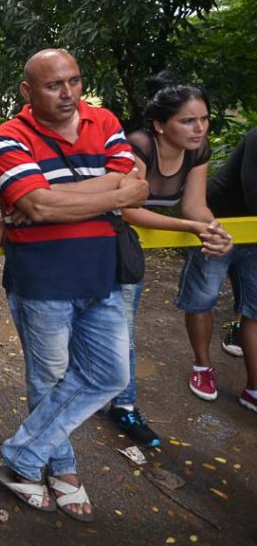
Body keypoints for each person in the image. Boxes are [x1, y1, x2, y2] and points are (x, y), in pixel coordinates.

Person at [0, 48, 148, 521]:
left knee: (111, 375)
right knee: (50, 380)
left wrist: (52, 197)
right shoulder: (7, 137)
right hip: (43, 278)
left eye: (73, 81)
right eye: (54, 85)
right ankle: (64, 470)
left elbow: (134, 186)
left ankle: (20, 456)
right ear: (27, 91)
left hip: (103, 274)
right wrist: (109, 193)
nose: (68, 93)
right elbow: (37, 207)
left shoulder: (104, 121)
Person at [110, 81, 232, 445]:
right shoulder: (138, 146)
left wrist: (210, 228)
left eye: (204, 119)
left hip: (125, 244)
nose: (199, 128)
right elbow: (128, 210)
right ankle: (123, 404)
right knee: (121, 327)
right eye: (188, 121)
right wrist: (192, 226)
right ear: (161, 125)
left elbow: (194, 204)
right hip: (105, 239)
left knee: (119, 326)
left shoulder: (198, 150)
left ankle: (119, 400)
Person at [176, 127, 257, 412]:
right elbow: (253, 193)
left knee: (255, 309)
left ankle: (254, 389)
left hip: (254, 236)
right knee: (202, 298)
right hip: (216, 224)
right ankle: (203, 366)